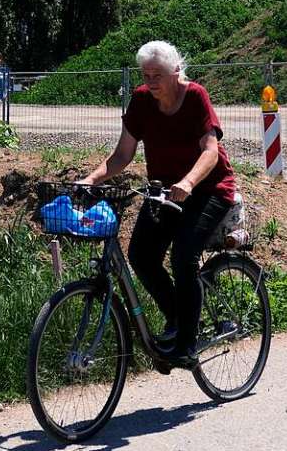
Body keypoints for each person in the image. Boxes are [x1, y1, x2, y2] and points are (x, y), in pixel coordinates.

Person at [80, 40, 236, 368]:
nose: (151, 81)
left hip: (208, 189)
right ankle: (178, 319)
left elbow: (210, 150)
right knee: (141, 255)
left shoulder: (195, 96)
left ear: (175, 72)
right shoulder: (140, 101)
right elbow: (123, 154)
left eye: (158, 75)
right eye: (146, 74)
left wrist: (188, 182)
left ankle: (187, 345)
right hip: (165, 191)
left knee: (183, 256)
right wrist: (92, 179)